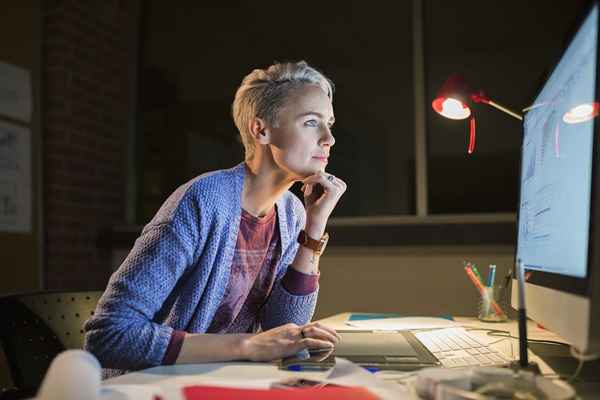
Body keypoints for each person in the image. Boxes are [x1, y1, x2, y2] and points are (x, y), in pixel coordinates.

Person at [84, 61, 347, 378]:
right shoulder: (202, 202)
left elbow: (281, 326)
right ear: (261, 130)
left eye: (329, 124)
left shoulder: (291, 213)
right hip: (152, 386)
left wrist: (314, 228)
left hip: (225, 379)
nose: (328, 138)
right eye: (310, 123)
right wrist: (247, 346)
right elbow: (108, 336)